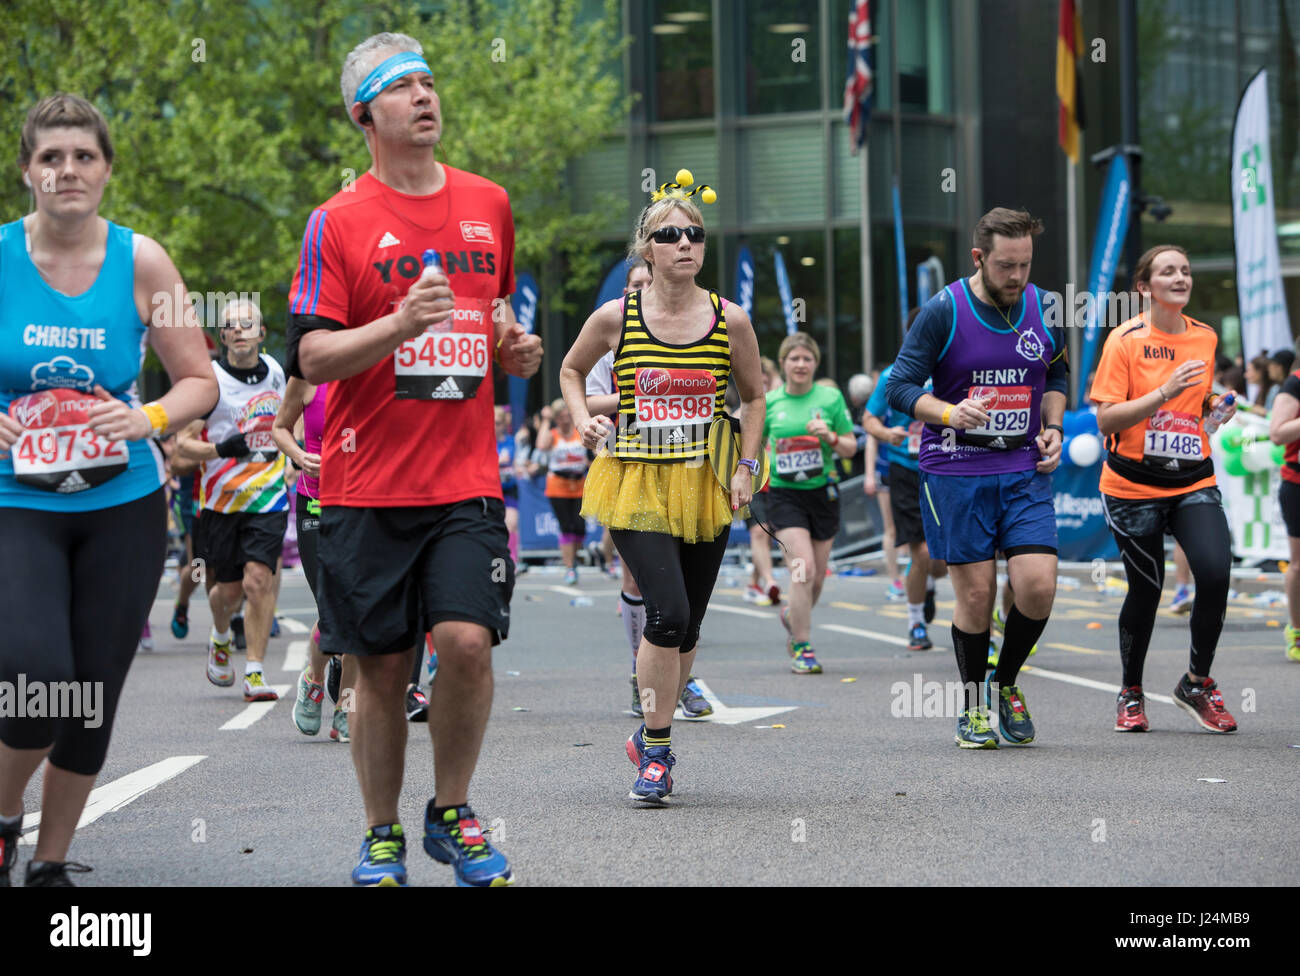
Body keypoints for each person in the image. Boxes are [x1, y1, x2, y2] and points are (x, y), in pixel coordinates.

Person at [289, 33, 541, 885]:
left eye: (431, 82)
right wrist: (400, 324)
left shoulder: (489, 203)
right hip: (365, 484)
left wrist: (511, 348)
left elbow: (492, 308)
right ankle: (379, 832)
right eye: (403, 89)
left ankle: (453, 813)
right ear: (366, 115)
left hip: (465, 479)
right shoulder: (337, 221)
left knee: (468, 642)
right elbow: (311, 358)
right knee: (383, 667)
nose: (425, 97)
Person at [0, 93, 218, 886]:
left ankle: (50, 864)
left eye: (82, 157)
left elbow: (197, 379)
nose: (66, 171)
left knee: (90, 695)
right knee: (35, 677)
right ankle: (1, 820)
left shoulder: (143, 262)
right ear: (27, 171)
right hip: (16, 503)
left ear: (107, 170)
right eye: (50, 157)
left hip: (119, 503)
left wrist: (151, 415)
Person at [560, 172, 764, 803]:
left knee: (692, 626)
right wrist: (582, 419)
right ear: (646, 248)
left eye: (694, 234)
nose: (684, 243)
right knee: (667, 613)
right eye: (669, 234)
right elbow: (569, 370)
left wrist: (747, 467)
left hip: (705, 481)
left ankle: (655, 727)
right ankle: (655, 749)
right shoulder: (615, 316)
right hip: (636, 480)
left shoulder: (731, 319)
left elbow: (755, 397)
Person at [886, 207, 1067, 749]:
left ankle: (1006, 683)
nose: (1017, 277)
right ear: (979, 257)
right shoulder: (944, 311)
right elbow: (899, 386)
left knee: (1037, 586)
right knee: (977, 596)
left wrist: (1052, 425)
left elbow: (1055, 368)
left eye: (1026, 265)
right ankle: (971, 705)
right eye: (1006, 266)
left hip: (1021, 469)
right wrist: (948, 413)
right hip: (956, 473)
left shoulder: (1040, 304)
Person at [1091, 244, 1237, 733]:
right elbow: (1106, 417)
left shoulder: (1205, 337)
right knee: (1147, 588)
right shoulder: (1124, 340)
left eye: (1186, 271)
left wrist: (1215, 405)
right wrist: (1163, 393)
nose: (1180, 278)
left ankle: (1196, 683)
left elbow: (1198, 403)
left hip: (1192, 475)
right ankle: (1131, 691)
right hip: (1132, 483)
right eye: (1167, 271)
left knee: (1215, 573)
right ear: (1144, 287)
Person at [585, 259, 714, 719]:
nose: (644, 289)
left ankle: (678, 674)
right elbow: (585, 394)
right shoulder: (614, 329)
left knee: (684, 605)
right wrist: (640, 393)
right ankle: (640, 672)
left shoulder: (703, 323)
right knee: (642, 581)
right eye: (636, 284)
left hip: (693, 471)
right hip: (631, 464)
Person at [176, 298, 287, 704]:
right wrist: (221, 449)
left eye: (247, 324)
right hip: (220, 503)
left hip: (269, 497)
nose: (239, 331)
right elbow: (183, 445)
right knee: (227, 591)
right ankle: (220, 635)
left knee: (259, 580)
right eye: (231, 326)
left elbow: (289, 420)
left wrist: (292, 458)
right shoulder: (210, 382)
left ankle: (255, 672)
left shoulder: (277, 373)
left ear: (260, 332)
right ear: (222, 337)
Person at [765, 333, 857, 674]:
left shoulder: (830, 398)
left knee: (815, 579)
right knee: (802, 568)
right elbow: (752, 445)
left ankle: (792, 615)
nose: (800, 364)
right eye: (794, 359)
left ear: (815, 364)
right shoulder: (771, 401)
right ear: (784, 363)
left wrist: (830, 437)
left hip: (823, 493)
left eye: (807, 359)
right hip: (785, 495)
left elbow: (850, 447)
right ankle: (802, 647)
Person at [272, 377, 355, 741]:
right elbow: (280, 428)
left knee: (357, 610)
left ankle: (345, 710)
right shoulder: (307, 377)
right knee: (332, 608)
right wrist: (299, 455)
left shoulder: (379, 367)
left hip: (362, 505)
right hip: (315, 505)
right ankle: (314, 680)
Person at [863, 310, 946, 650]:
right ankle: (915, 624)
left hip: (946, 469)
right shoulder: (893, 375)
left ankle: (926, 583)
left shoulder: (951, 370)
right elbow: (869, 419)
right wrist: (886, 433)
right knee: (921, 551)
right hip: (905, 471)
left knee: (940, 562)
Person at [742, 355, 783, 606]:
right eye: (760, 381)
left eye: (767, 381)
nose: (764, 385)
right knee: (759, 532)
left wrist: (768, 371)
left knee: (767, 535)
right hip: (750, 477)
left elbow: (778, 383)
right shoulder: (745, 406)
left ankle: (752, 583)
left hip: (776, 479)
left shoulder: (777, 404)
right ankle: (770, 580)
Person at [535, 399, 588, 585]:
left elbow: (592, 452)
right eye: (561, 416)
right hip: (558, 487)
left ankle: (573, 559)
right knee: (566, 527)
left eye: (568, 415)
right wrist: (545, 420)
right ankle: (570, 567)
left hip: (579, 485)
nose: (565, 419)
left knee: (579, 529)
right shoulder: (553, 434)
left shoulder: (578, 433)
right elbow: (541, 445)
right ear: (557, 418)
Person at [1270, 357, 1300, 662]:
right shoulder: (1295, 383)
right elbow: (1277, 433)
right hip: (1297, 482)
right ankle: (1297, 630)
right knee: (1299, 564)